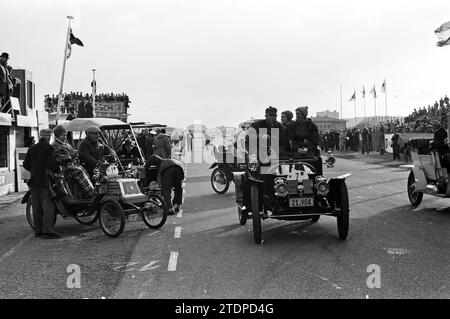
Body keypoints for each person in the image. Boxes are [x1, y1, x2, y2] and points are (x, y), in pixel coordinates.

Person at [23, 129, 60, 239]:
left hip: (33, 181)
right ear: (49, 137)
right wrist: (57, 168)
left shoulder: (32, 147)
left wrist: (34, 170)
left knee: (36, 206)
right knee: (48, 206)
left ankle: (38, 231)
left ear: (40, 136)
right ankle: (47, 232)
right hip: (45, 181)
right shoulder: (49, 148)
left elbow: (26, 165)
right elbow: (51, 164)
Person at [52, 125, 96, 199]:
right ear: (58, 136)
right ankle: (90, 194)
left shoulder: (65, 144)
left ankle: (91, 191)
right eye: (63, 135)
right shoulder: (55, 145)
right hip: (64, 167)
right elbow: (62, 157)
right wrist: (71, 155)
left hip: (71, 164)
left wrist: (75, 153)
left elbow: (72, 152)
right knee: (79, 171)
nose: (65, 137)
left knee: (83, 168)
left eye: (66, 135)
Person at [431, 115, 450, 195]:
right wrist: (444, 142)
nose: (448, 122)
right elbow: (435, 144)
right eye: (446, 121)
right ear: (442, 122)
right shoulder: (438, 132)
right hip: (443, 154)